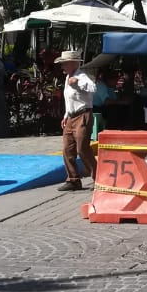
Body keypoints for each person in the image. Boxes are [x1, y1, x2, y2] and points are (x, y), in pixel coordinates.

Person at [56, 50, 97, 192]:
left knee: (82, 149)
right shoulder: (68, 78)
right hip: (71, 116)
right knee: (67, 149)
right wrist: (66, 115)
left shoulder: (82, 76)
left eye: (64, 63)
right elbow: (69, 100)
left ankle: (98, 178)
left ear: (73, 63)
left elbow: (93, 88)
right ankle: (73, 180)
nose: (62, 66)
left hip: (82, 115)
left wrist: (78, 83)